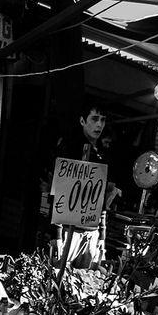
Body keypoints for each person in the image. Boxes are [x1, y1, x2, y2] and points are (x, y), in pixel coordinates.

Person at [49, 102, 110, 270]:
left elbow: (101, 198)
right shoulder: (69, 147)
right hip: (69, 231)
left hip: (91, 230)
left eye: (103, 120)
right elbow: (58, 191)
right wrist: (58, 236)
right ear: (83, 121)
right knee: (58, 276)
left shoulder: (101, 154)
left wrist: (101, 237)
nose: (99, 124)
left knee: (84, 279)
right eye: (95, 119)